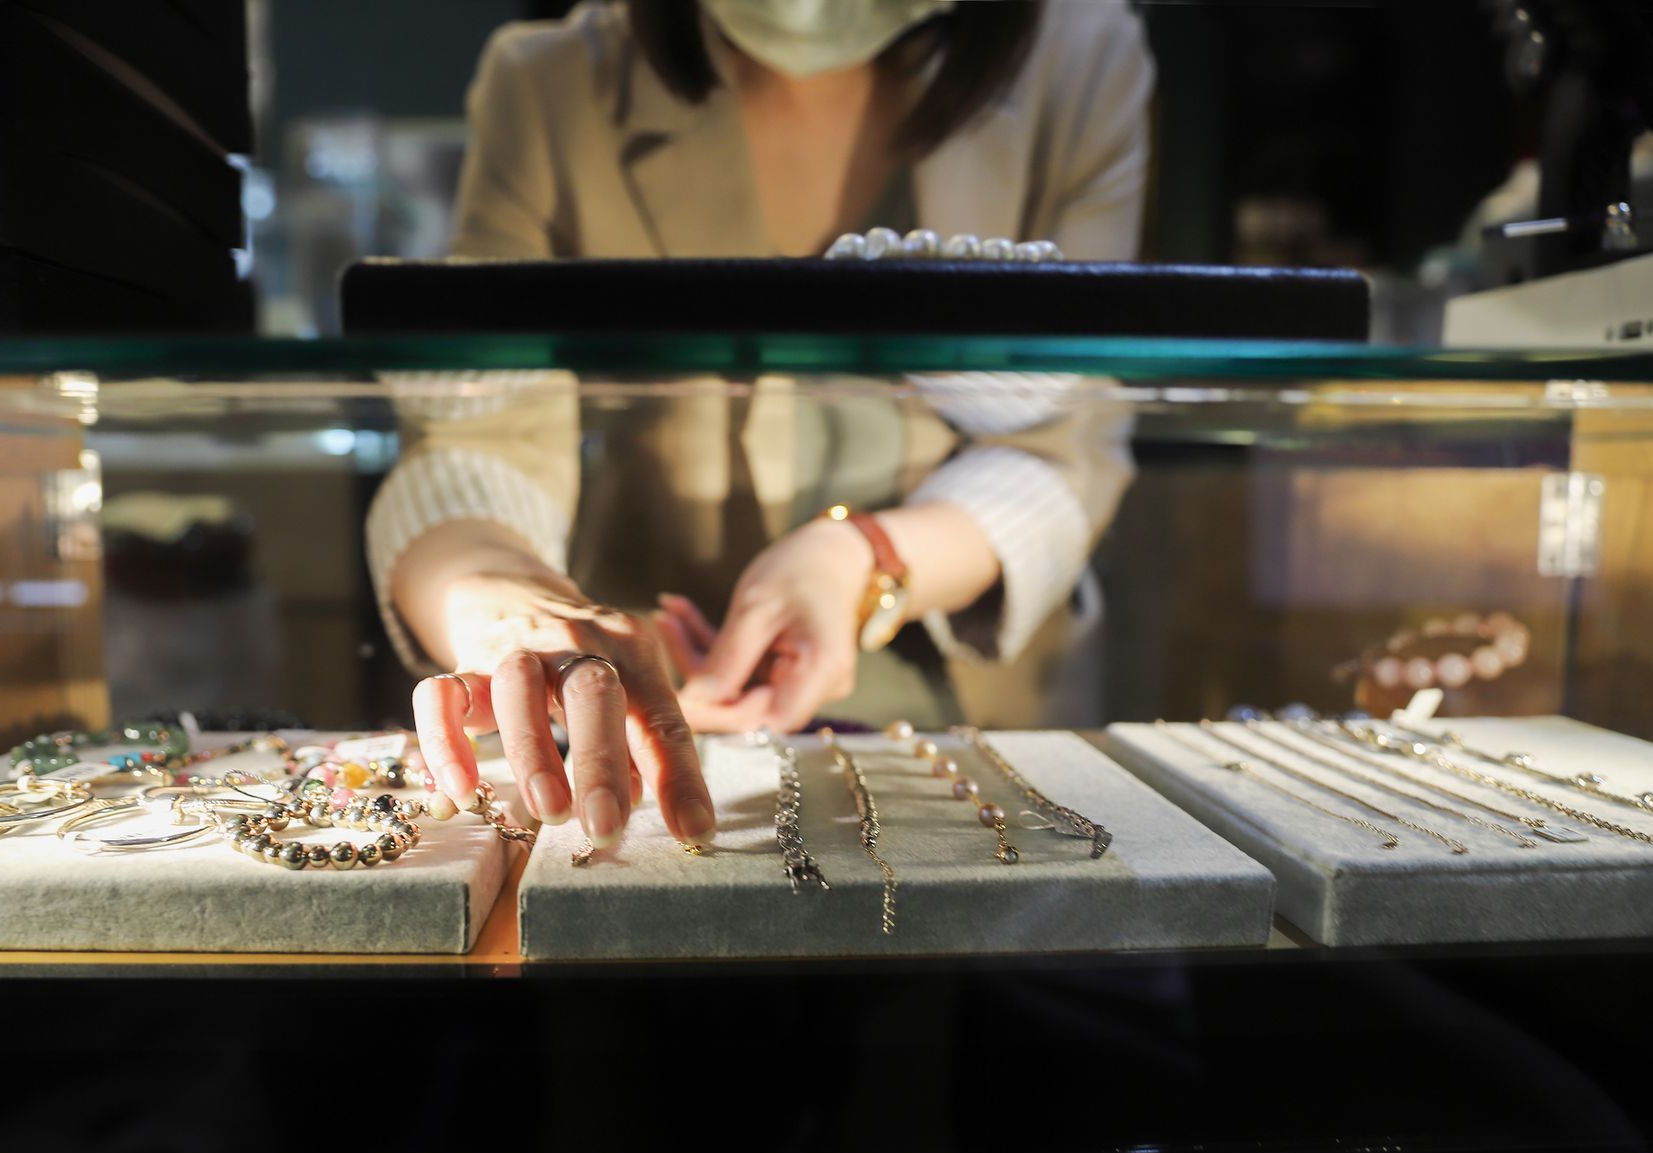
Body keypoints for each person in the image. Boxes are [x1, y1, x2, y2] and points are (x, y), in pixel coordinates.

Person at [370, 0, 1153, 857]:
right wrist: (508, 609)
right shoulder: (554, 81)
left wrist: (865, 558)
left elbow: (1069, 439)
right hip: (625, 709)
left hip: (971, 727)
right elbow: (479, 434)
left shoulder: (1079, 62)